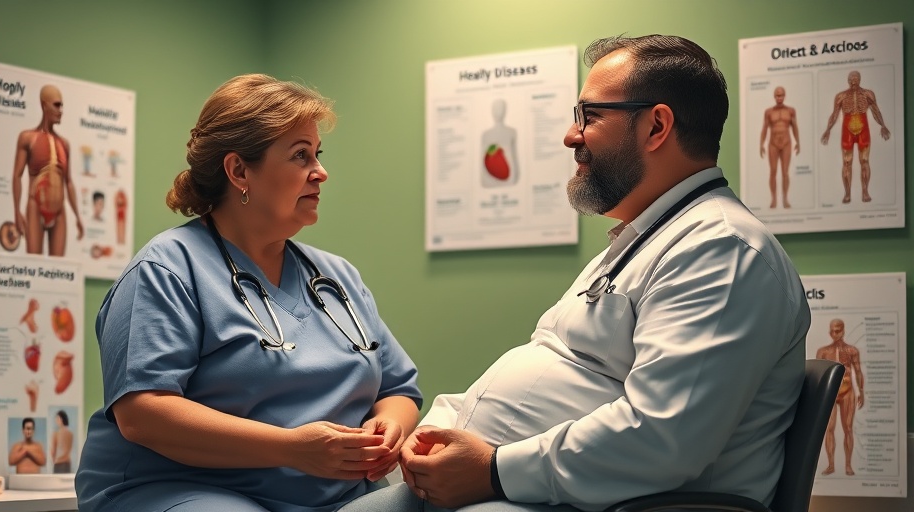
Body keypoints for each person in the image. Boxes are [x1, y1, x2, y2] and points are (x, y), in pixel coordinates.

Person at [343, 34, 810, 512]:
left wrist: (493, 470)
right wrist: (438, 432)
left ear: (656, 126)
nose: (571, 135)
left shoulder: (722, 251)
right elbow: (550, 365)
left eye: (590, 116)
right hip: (516, 487)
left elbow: (663, 438)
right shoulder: (647, 238)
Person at [75, 74, 422, 512]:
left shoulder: (337, 277)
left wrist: (389, 428)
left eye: (317, 154)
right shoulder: (167, 270)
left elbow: (399, 388)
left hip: (332, 497)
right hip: (182, 489)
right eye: (300, 155)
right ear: (239, 171)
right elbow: (144, 413)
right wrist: (292, 449)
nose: (321, 172)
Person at [12, 84, 85, 256]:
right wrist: (17, 212)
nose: (61, 111)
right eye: (57, 105)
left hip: (59, 211)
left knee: (58, 269)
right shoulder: (27, 138)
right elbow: (17, 175)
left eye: (62, 106)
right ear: (44, 105)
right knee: (34, 266)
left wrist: (78, 216)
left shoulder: (64, 144)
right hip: (35, 207)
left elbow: (68, 182)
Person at [820, 70, 891, 204]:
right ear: (848, 81)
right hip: (847, 132)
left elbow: (875, 110)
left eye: (856, 78)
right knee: (847, 162)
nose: (854, 81)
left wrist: (883, 125)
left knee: (864, 161)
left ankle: (865, 192)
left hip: (863, 131)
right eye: (851, 78)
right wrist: (828, 130)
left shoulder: (868, 94)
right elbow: (834, 114)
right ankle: (847, 193)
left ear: (860, 79)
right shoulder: (841, 96)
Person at [815, 318, 864, 476]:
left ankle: (848, 465)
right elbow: (818, 373)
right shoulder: (823, 351)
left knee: (848, 428)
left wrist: (861, 391)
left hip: (847, 391)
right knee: (829, 429)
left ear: (843, 331)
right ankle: (831, 465)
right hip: (830, 392)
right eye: (832, 331)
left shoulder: (852, 350)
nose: (835, 334)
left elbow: (858, 370)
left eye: (838, 331)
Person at [759, 86, 799, 208]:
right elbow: (765, 128)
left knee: (785, 172)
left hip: (786, 142)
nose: (779, 97)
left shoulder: (790, 111)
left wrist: (798, 142)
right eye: (777, 95)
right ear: (774, 96)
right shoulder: (769, 112)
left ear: (784, 96)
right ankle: (774, 199)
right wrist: (761, 144)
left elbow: (795, 127)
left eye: (781, 95)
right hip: (773, 143)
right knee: (773, 172)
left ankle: (785, 199)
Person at [481, 99, 519, 186]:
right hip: (491, 177)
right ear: (491, 111)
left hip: (509, 178)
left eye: (501, 108)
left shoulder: (511, 132)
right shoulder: (486, 134)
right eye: (495, 109)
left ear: (505, 111)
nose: (498, 112)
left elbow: (515, 156)